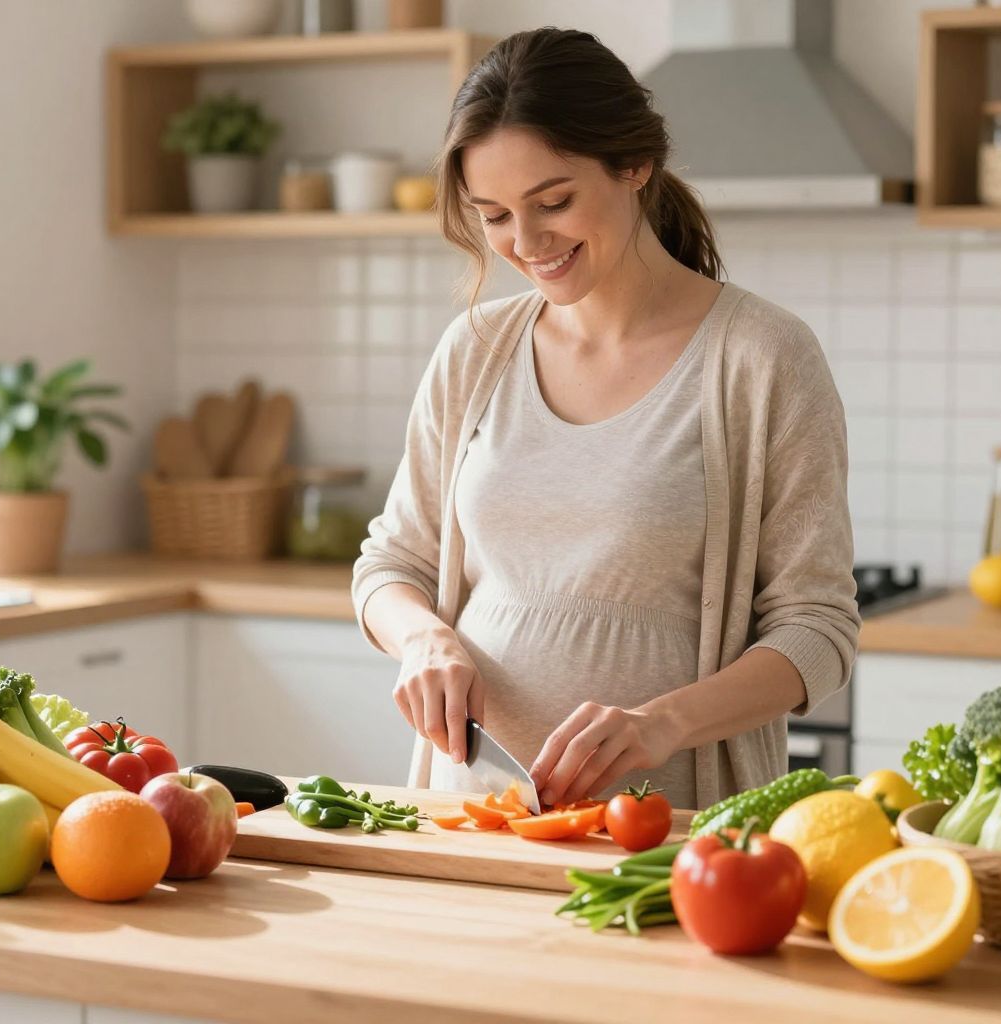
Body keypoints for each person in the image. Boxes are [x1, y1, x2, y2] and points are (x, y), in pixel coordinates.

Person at [350, 27, 860, 812]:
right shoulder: (476, 350)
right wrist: (422, 640)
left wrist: (662, 724)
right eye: (494, 215)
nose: (526, 243)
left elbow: (817, 632)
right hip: (473, 813)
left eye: (553, 202)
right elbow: (390, 566)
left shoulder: (763, 357)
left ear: (634, 163)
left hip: (672, 834)